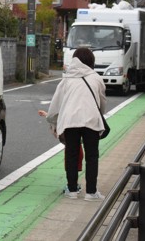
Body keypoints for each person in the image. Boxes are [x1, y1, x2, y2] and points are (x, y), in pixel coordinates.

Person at [45, 47, 107, 201]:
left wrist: (52, 121)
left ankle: (72, 190)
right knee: (92, 156)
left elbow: (56, 103)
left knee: (71, 154)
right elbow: (102, 101)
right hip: (91, 121)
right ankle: (91, 192)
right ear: (91, 61)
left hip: (70, 121)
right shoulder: (96, 78)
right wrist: (100, 115)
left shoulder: (67, 79)